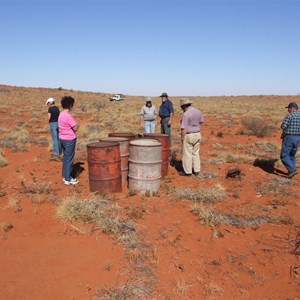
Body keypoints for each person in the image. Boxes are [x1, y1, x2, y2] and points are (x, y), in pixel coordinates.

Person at [179, 98, 204, 177]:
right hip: (198, 134)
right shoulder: (198, 111)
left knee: (187, 154)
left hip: (189, 135)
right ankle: (197, 171)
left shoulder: (186, 114)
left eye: (182, 107)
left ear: (184, 106)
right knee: (196, 153)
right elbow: (201, 122)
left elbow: (183, 128)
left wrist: (182, 138)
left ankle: (188, 172)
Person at [58, 96, 79, 185]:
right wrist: (77, 126)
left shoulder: (61, 114)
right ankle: (68, 178)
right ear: (70, 105)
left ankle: (65, 175)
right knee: (69, 158)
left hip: (62, 138)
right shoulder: (68, 116)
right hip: (69, 139)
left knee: (66, 158)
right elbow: (75, 127)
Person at [280, 102, 300, 178]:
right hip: (298, 138)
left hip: (289, 137)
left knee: (284, 155)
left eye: (288, 108)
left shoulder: (290, 115)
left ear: (292, 108)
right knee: (292, 155)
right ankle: (291, 172)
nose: (288, 110)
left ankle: (292, 170)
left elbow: (283, 126)